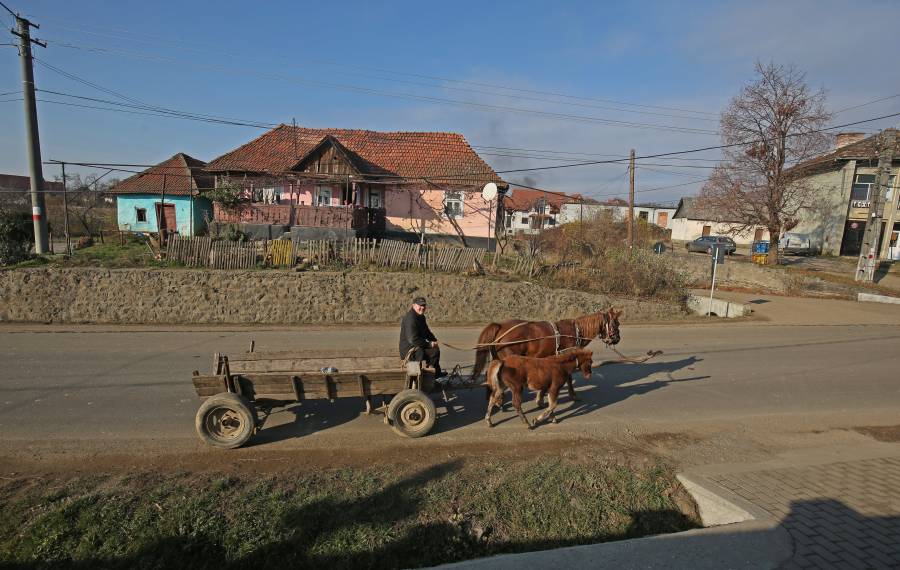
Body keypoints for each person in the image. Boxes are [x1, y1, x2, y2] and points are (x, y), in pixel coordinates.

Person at [399, 296, 443, 377]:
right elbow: (413, 340)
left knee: (435, 351)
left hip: (417, 347)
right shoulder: (411, 318)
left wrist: (434, 340)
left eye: (424, 305)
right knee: (425, 352)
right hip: (409, 350)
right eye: (420, 305)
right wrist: (429, 344)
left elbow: (427, 332)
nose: (422, 308)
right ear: (413, 306)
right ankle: (424, 377)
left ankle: (434, 374)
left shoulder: (421, 317)